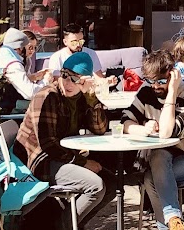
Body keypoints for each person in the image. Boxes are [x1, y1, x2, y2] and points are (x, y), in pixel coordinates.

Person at [14, 52, 116, 228]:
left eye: (75, 79)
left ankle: (71, 224)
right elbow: (47, 144)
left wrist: (91, 97)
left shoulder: (80, 98)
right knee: (95, 186)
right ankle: (63, 226)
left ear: (85, 81)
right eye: (65, 75)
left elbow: (100, 129)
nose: (68, 83)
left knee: (111, 183)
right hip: (39, 161)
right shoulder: (47, 96)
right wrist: (82, 162)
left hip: (62, 156)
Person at [121, 50, 184, 230]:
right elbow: (125, 121)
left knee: (151, 177)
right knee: (158, 158)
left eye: (161, 81)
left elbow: (166, 133)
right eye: (150, 81)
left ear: (173, 75)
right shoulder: (147, 90)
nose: (155, 86)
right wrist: (142, 129)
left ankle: (169, 224)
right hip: (163, 158)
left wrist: (171, 93)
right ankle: (174, 222)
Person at [0, 27, 50, 112]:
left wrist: (31, 77)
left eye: (34, 48)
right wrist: (46, 81)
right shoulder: (12, 63)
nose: (33, 51)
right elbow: (30, 93)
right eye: (29, 47)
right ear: (21, 48)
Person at [48, 23, 117, 86]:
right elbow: (57, 82)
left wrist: (107, 81)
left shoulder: (90, 53)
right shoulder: (57, 57)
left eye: (81, 41)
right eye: (74, 42)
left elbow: (99, 77)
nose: (78, 45)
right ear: (65, 42)